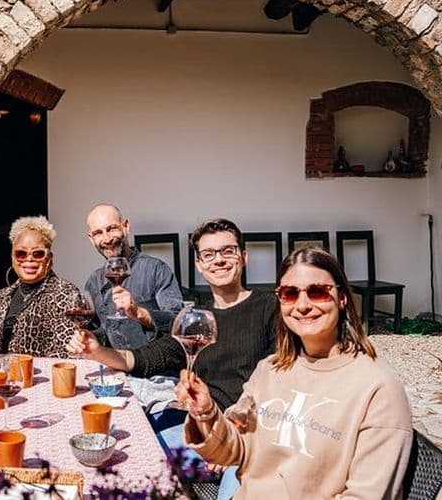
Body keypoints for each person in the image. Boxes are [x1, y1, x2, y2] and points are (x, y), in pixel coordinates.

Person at [178, 247, 413, 499]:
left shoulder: (378, 389)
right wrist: (206, 412)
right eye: (290, 294)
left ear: (343, 297)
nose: (302, 305)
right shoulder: (270, 369)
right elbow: (237, 451)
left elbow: (366, 495)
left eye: (318, 292)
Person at [69, 218, 276, 500]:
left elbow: (278, 386)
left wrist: (228, 440)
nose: (219, 260)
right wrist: (96, 350)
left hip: (251, 437)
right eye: (208, 254)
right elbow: (144, 359)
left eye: (227, 251)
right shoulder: (197, 319)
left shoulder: (269, 308)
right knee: (131, 464)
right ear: (199, 264)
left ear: (243, 256)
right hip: (202, 429)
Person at [0, 216, 79, 358]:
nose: (29, 259)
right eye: (21, 254)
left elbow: (65, 357)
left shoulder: (67, 295)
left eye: (38, 254)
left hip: (41, 379)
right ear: (12, 257)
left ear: (49, 258)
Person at [85, 203, 182, 349]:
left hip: (155, 367)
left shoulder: (156, 269)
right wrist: (84, 336)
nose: (106, 239)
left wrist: (139, 313)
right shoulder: (94, 281)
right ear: (91, 239)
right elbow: (96, 331)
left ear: (126, 226)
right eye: (98, 233)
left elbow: (179, 323)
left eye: (111, 229)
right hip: (116, 366)